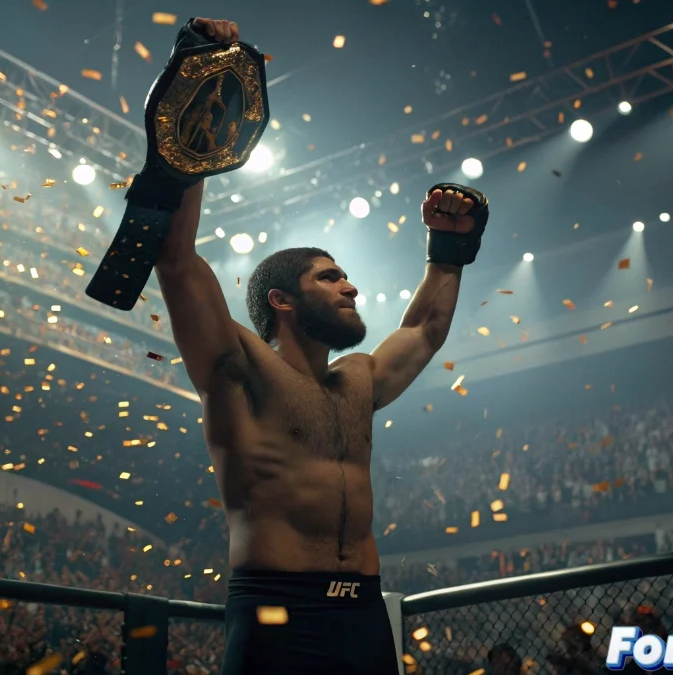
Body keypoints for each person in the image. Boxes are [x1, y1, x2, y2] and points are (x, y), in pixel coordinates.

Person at [151, 18, 490, 674]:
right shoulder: (239, 369)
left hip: (361, 610)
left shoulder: (358, 379)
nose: (351, 286)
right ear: (282, 299)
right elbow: (177, 260)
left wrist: (449, 249)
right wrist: (197, 124)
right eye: (329, 277)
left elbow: (423, 331)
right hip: (277, 610)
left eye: (345, 275)